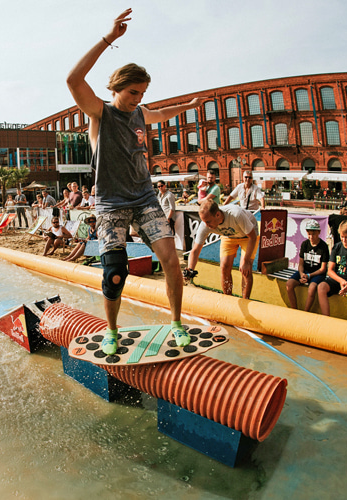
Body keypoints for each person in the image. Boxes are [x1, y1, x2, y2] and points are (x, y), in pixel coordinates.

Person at [66, 8, 205, 354]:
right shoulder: (101, 113)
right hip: (111, 205)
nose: (137, 100)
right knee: (115, 273)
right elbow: (72, 80)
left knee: (171, 259)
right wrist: (109, 39)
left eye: (141, 93)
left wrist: (188, 105)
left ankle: (176, 322)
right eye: (132, 92)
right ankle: (112, 330)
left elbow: (160, 113)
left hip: (144, 200)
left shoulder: (141, 112)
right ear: (116, 87)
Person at [187, 200, 259, 299]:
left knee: (245, 268)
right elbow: (195, 250)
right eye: (204, 221)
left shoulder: (236, 214)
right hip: (229, 236)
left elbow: (253, 237)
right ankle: (227, 299)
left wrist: (246, 261)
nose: (206, 225)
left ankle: (245, 300)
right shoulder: (205, 224)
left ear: (217, 214)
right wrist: (190, 270)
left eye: (208, 222)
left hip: (248, 236)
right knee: (224, 267)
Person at [286, 219, 329, 312]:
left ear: (319, 232)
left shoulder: (324, 246)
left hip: (317, 274)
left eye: (313, 234)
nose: (311, 236)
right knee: (289, 284)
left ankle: (306, 312)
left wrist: (309, 276)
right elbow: (301, 263)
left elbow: (323, 269)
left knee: (312, 288)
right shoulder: (305, 244)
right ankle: (294, 310)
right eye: (309, 234)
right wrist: (302, 274)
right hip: (305, 271)